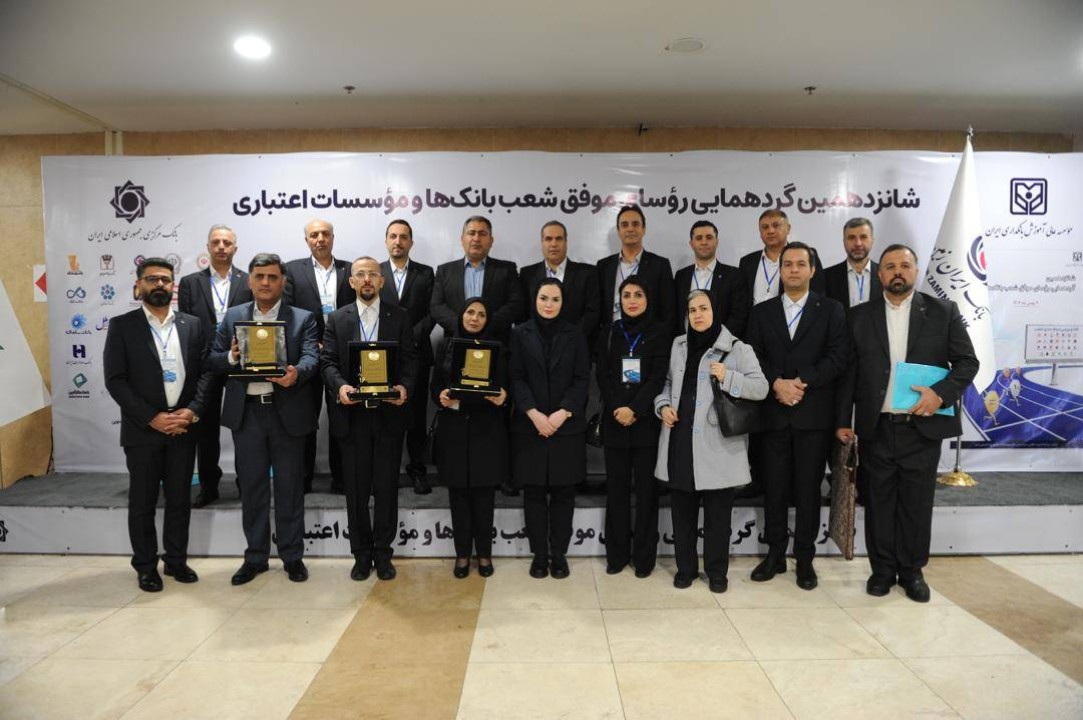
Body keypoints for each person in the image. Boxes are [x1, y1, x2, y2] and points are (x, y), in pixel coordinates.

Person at [836, 244, 978, 602]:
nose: (897, 271)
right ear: (880, 274)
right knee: (879, 502)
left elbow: (967, 363)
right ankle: (882, 571)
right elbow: (849, 374)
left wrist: (940, 395)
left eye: (904, 265)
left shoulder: (943, 312)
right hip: (877, 427)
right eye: (890, 266)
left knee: (916, 503)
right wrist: (842, 421)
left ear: (915, 271)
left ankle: (912, 572)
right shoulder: (859, 316)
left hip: (922, 427)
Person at [209, 253, 319, 585]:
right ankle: (255, 557)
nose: (266, 282)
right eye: (260, 276)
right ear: (250, 280)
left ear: (282, 281)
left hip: (287, 415)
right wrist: (231, 357)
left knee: (290, 489)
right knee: (253, 489)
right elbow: (212, 359)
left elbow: (312, 356)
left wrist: (296, 373)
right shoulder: (233, 317)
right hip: (248, 416)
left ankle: (292, 557)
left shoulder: (303, 318)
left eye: (272, 277)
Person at [745, 241, 849, 591]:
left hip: (812, 415)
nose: (793, 269)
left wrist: (802, 381)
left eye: (800, 264)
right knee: (773, 488)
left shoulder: (831, 310)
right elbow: (752, 355)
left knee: (808, 490)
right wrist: (777, 383)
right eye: (787, 264)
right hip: (772, 415)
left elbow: (838, 356)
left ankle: (805, 558)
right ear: (780, 270)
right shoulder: (762, 311)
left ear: (812, 270)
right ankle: (774, 554)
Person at [104, 257, 210, 592]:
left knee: (179, 500)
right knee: (143, 502)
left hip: (182, 426)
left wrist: (191, 411)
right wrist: (152, 417)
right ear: (139, 286)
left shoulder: (192, 325)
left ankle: (176, 561)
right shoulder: (123, 326)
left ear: (173, 285)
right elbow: (116, 380)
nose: (160, 284)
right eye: (152, 279)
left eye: (165, 279)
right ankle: (146, 566)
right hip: (143, 431)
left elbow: (205, 373)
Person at [654, 290, 768, 592]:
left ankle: (717, 573)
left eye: (704, 308)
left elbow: (761, 388)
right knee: (682, 512)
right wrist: (663, 406)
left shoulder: (737, 348)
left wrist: (729, 376)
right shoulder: (678, 346)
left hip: (718, 443)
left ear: (715, 311)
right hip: (680, 438)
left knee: (718, 515)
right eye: (692, 310)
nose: (698, 315)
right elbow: (666, 383)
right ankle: (686, 569)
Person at [321, 256, 417, 582]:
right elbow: (328, 361)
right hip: (353, 417)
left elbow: (411, 359)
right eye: (360, 274)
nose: (366, 279)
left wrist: (404, 387)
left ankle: (384, 553)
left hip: (389, 414)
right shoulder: (337, 319)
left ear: (381, 281)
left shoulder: (400, 316)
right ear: (351, 282)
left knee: (387, 487)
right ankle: (361, 555)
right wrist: (340, 386)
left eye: (372, 274)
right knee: (356, 490)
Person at [509, 278, 591, 579]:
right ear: (534, 299)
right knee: (533, 494)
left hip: (565, 428)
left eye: (555, 299)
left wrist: (562, 413)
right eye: (544, 298)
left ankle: (559, 554)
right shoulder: (520, 333)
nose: (548, 304)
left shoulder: (576, 334)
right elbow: (516, 377)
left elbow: (582, 378)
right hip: (529, 427)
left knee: (563, 494)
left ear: (563, 302)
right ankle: (539, 555)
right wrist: (533, 413)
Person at [595, 276, 668, 577]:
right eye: (627, 295)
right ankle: (617, 556)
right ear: (619, 300)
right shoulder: (610, 332)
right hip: (615, 423)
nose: (632, 300)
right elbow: (603, 375)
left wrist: (634, 409)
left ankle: (644, 559)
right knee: (617, 492)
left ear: (648, 299)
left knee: (647, 495)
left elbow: (658, 377)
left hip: (646, 424)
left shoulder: (660, 332)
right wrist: (618, 408)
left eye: (639, 294)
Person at [431, 298, 508, 578]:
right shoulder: (445, 346)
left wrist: (503, 396)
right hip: (453, 432)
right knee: (459, 498)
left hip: (486, 432)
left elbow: (506, 388)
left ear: (488, 320)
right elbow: (435, 388)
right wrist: (440, 396)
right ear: (462, 315)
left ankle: (484, 555)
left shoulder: (498, 348)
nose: (475, 318)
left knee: (484, 497)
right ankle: (462, 555)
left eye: (481, 314)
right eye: (470, 312)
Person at [177, 224, 252, 507]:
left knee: (243, 426)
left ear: (235, 248)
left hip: (239, 360)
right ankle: (209, 486)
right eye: (216, 242)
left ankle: (247, 484)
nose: (221, 247)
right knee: (204, 429)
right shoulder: (189, 283)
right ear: (208, 247)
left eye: (227, 243)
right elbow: (185, 324)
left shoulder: (248, 281)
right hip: (204, 363)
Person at [284, 219, 354, 494]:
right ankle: (304, 479)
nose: (320, 239)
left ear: (333, 237)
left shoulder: (349, 269)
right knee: (305, 417)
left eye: (325, 234)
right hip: (308, 355)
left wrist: (334, 344)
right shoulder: (292, 270)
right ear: (307, 240)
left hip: (341, 356)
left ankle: (341, 478)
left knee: (341, 418)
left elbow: (355, 311)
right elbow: (288, 312)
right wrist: (313, 343)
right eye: (314, 235)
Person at [379, 219, 436, 495]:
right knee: (385, 416)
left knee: (416, 416)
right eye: (393, 236)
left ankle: (417, 469)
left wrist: (409, 338)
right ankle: (386, 471)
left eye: (403, 237)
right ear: (386, 241)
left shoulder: (425, 273)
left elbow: (432, 312)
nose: (398, 241)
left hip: (417, 354)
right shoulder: (375, 272)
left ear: (410, 242)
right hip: (382, 356)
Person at [431, 215, 524, 344]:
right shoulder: (445, 271)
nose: (476, 238)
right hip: (455, 343)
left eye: (482, 234)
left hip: (495, 343)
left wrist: (486, 324)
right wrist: (462, 325)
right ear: (462, 239)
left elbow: (515, 304)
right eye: (471, 233)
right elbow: (437, 306)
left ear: (491, 241)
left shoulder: (507, 270)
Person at [597, 204, 675, 333]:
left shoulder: (660, 265)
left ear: (643, 229)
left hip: (647, 338)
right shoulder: (603, 266)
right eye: (624, 225)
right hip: (611, 337)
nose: (630, 229)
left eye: (635, 224)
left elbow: (668, 312)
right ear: (618, 231)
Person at [519, 220, 601, 343]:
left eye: (559, 239)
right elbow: (523, 313)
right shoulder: (527, 274)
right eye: (548, 239)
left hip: (575, 344)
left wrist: (570, 337)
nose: (554, 244)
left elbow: (592, 312)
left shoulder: (587, 273)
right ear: (542, 243)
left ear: (566, 242)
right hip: (536, 346)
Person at [673, 220, 750, 337]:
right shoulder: (681, 276)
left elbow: (739, 315)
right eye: (699, 238)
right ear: (691, 243)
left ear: (717, 242)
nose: (704, 242)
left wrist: (720, 340)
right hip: (686, 342)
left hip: (722, 343)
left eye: (709, 237)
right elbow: (676, 314)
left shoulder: (734, 275)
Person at [738, 210, 825, 307]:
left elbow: (818, 293)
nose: (770, 231)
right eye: (765, 227)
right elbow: (741, 299)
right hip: (754, 316)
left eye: (776, 225)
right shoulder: (747, 262)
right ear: (760, 232)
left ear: (788, 228)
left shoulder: (806, 255)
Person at [824, 217, 882, 308]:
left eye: (863, 237)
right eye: (851, 238)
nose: (858, 243)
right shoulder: (826, 276)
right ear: (844, 242)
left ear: (872, 241)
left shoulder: (885, 274)